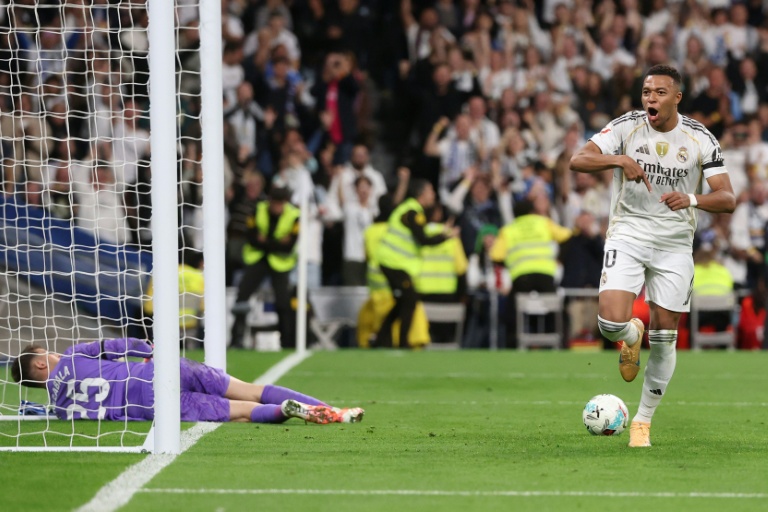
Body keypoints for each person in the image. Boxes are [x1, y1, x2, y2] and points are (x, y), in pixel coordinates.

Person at [569, 64, 736, 448]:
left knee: (665, 337)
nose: (651, 99)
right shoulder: (626, 127)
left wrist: (692, 198)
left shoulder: (699, 138)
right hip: (628, 233)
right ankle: (630, 335)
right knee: (608, 323)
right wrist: (618, 160)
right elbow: (578, 159)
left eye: (660, 92)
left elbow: (727, 199)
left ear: (677, 97)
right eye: (646, 92)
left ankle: (642, 422)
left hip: (675, 244)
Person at [11, 338, 364, 424]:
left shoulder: (59, 409)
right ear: (41, 363)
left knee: (239, 411)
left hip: (150, 406)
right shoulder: (74, 354)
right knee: (250, 390)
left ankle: (284, 412)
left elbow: (62, 412)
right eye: (48, 353)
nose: (54, 354)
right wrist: (150, 350)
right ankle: (328, 409)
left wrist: (37, 410)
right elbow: (120, 345)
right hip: (156, 371)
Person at [374, 180, 458, 348]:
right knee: (410, 300)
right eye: (430, 191)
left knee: (403, 302)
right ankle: (403, 342)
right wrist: (446, 237)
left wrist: (442, 232)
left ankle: (381, 339)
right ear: (421, 194)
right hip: (393, 262)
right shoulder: (412, 212)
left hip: (392, 262)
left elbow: (421, 233)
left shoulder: (410, 210)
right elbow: (423, 239)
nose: (433, 195)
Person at [490, 197, 572, 349]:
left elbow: (496, 256)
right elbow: (567, 236)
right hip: (545, 275)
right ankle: (560, 344)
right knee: (554, 311)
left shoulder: (508, 230)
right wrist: (559, 259)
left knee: (513, 311)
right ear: (532, 211)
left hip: (521, 277)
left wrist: (510, 264)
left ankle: (512, 343)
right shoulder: (543, 222)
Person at [230, 185, 299, 349]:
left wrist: (265, 242)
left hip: (280, 263)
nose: (278, 207)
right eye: (275, 203)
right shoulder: (257, 210)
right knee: (242, 296)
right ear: (270, 201)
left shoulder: (295, 215)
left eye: (280, 203)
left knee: (283, 302)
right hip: (258, 259)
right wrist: (277, 243)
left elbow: (289, 247)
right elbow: (251, 237)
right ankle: (236, 339)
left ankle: (287, 342)